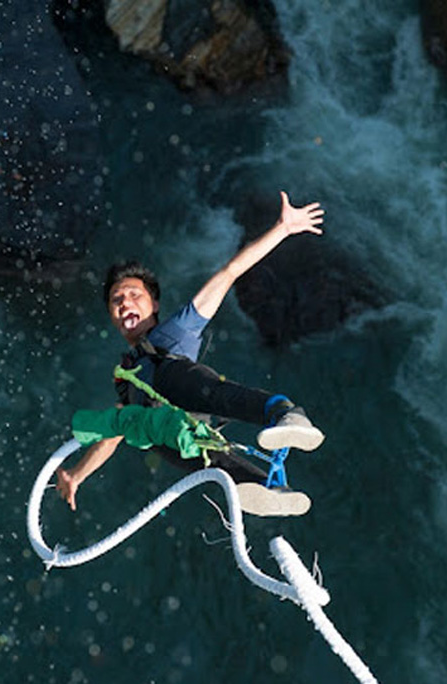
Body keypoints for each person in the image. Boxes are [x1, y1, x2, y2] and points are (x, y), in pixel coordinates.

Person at [56, 191, 326, 516]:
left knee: (175, 378)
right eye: (117, 299)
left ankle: (284, 413)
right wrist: (77, 475)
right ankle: (266, 488)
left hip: (197, 393)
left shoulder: (175, 330)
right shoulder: (125, 375)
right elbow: (114, 435)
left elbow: (228, 273)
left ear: (154, 305)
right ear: (112, 315)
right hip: (180, 428)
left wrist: (282, 228)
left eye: (133, 294)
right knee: (167, 440)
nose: (125, 302)